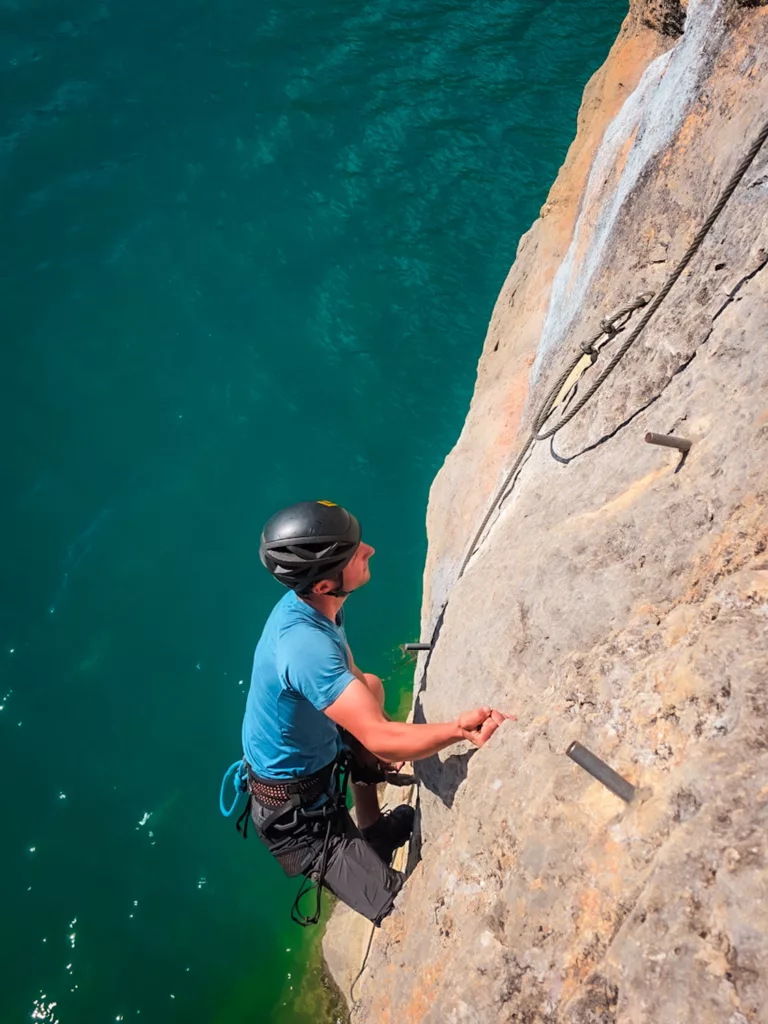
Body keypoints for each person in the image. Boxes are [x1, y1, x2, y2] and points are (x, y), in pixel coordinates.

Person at [240, 500, 511, 926]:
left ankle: (372, 830)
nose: (369, 550)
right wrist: (458, 729)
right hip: (298, 818)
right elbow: (381, 735)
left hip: (314, 766)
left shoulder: (318, 605)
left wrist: (379, 742)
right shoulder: (304, 644)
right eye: (355, 552)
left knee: (371, 687)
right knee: (403, 912)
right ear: (327, 583)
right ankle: (362, 857)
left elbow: (352, 680)